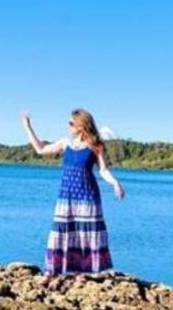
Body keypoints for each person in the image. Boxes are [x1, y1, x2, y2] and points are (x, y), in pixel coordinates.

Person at [20, 108, 125, 283]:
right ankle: (51, 271)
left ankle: (80, 271)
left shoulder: (95, 146)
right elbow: (40, 149)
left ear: (81, 125)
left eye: (71, 123)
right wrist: (27, 126)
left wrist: (115, 183)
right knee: (60, 230)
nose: (68, 126)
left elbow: (103, 170)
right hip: (66, 195)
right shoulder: (65, 143)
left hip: (87, 196)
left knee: (83, 233)